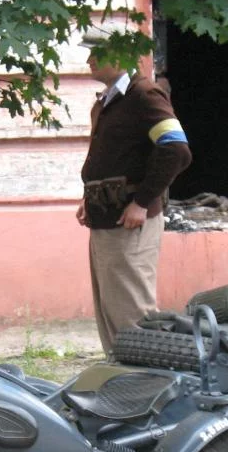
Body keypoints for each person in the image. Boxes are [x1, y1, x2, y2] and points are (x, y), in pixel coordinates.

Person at [76, 26, 192, 354]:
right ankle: (120, 377)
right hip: (105, 217)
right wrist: (88, 196)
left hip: (130, 222)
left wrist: (142, 201)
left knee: (134, 316)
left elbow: (176, 149)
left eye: (97, 51)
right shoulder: (109, 101)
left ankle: (150, 378)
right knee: (111, 312)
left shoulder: (144, 95)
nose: (89, 59)